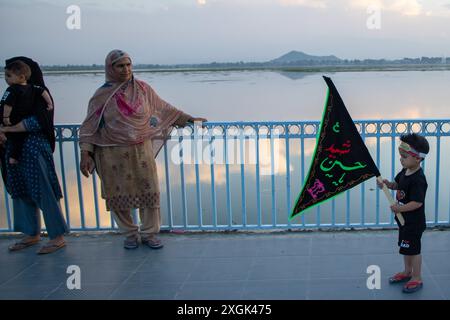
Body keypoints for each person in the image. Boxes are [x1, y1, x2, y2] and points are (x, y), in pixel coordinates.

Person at [79, 50, 207, 250]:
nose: (126, 69)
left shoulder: (143, 89)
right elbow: (89, 126)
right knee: (118, 194)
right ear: (110, 69)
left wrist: (190, 119)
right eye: (120, 66)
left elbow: (164, 109)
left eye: (128, 65)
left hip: (141, 151)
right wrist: (85, 152)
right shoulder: (102, 95)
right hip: (111, 153)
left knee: (149, 190)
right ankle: (130, 233)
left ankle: (149, 233)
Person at [0, 57, 68, 254]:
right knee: (20, 190)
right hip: (13, 150)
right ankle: (31, 233)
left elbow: (38, 121)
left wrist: (9, 129)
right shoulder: (13, 95)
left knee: (43, 190)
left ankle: (57, 236)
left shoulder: (39, 94)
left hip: (34, 148)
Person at [377, 133, 429, 293]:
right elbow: (397, 185)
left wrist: (400, 208)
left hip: (414, 222)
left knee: (414, 250)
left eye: (404, 156)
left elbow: (417, 203)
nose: (401, 159)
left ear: (418, 158)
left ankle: (417, 277)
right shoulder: (404, 171)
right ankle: (407, 272)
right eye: (400, 155)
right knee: (406, 247)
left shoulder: (419, 179)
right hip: (403, 220)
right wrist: (387, 185)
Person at [1, 60, 54, 164]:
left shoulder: (34, 96)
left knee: (37, 179)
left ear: (22, 76)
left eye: (9, 75)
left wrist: (7, 128)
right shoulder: (27, 90)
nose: (6, 79)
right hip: (13, 151)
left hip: (35, 152)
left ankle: (14, 157)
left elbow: (37, 122)